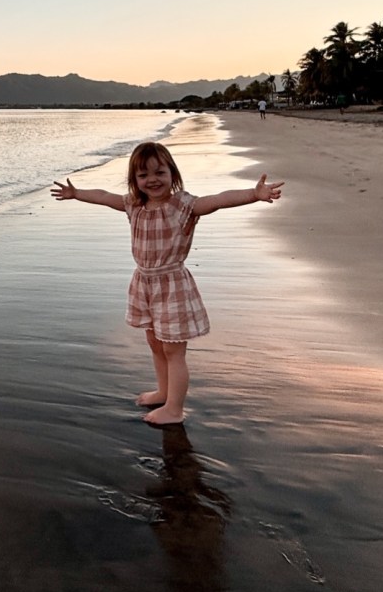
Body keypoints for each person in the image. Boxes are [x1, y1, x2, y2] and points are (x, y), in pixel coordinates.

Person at [50, 141, 282, 426]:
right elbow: (103, 195)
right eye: (143, 175)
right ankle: (163, 391)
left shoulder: (183, 206)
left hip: (172, 285)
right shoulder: (133, 205)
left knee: (174, 349)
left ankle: (174, 408)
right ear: (135, 180)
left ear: (172, 173)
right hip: (144, 283)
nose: (152, 180)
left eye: (159, 172)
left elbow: (219, 199)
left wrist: (253, 194)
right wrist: (77, 194)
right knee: (155, 343)